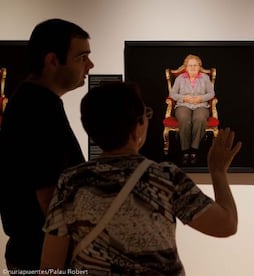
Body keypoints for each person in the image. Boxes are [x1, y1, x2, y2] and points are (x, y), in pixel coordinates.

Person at [40, 82, 241, 275]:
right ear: (138, 126)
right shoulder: (165, 178)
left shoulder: (71, 181)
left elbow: (50, 264)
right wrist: (218, 171)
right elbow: (226, 225)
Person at [0, 18, 94, 270]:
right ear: (52, 60)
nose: (90, 65)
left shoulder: (36, 102)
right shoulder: (37, 107)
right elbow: (50, 197)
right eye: (81, 57)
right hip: (45, 256)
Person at [170, 54, 215, 165]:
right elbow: (173, 94)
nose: (193, 68)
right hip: (183, 105)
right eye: (190, 65)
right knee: (185, 119)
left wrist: (200, 98)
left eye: (195, 65)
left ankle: (194, 149)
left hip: (201, 105)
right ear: (186, 67)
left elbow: (211, 93)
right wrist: (184, 98)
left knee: (199, 119)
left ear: (199, 66)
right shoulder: (180, 78)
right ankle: (185, 150)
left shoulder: (204, 78)